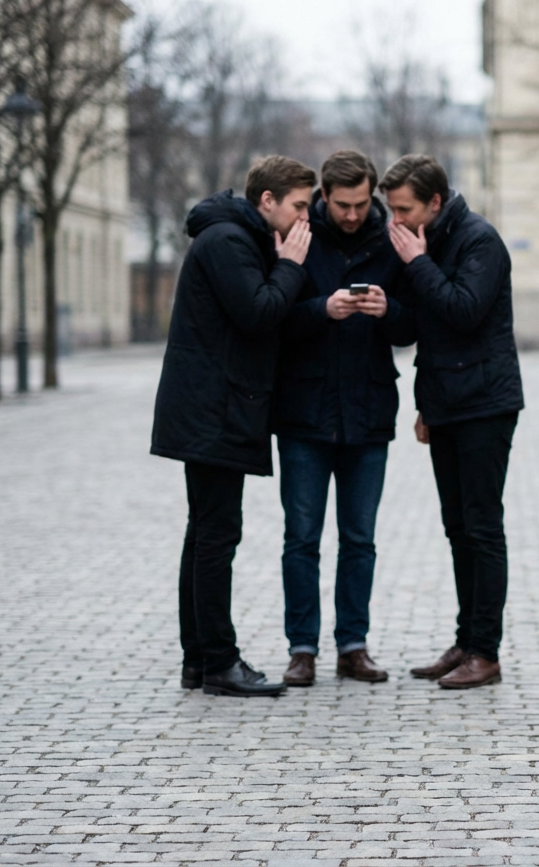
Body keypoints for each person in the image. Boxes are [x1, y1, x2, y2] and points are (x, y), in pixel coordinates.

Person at [151, 155, 314, 698]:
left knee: (205, 535)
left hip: (212, 406)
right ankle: (219, 662)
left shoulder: (232, 237)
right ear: (267, 201)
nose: (304, 218)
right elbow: (258, 312)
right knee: (216, 536)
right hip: (214, 409)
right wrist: (289, 266)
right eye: (298, 205)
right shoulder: (228, 242)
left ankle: (199, 660)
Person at [272, 150, 416, 687]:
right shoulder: (298, 235)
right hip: (304, 414)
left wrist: (389, 312)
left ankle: (352, 646)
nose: (352, 215)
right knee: (301, 538)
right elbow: (274, 316)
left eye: (360, 204)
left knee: (360, 539)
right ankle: (302, 648)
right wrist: (320, 309)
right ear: (323, 197)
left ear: (372, 195)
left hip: (369, 412)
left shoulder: (391, 241)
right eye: (341, 205)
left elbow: (411, 326)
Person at [383, 155, 524, 690]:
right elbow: (423, 328)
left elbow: (464, 311)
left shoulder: (478, 240)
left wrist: (417, 263)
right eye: (391, 210)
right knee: (457, 528)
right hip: (446, 404)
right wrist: (384, 308)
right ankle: (465, 641)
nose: (395, 220)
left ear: (434, 203)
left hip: (487, 404)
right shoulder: (426, 240)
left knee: (483, 528)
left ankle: (485, 652)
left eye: (403, 209)